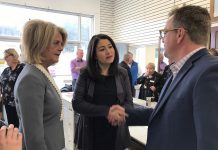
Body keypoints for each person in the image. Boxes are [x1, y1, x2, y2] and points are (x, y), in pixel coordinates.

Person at [125, 5, 218, 150]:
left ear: (180, 34)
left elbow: (211, 141)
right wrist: (124, 114)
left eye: (165, 33)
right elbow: (164, 113)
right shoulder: (176, 70)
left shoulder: (210, 71)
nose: (162, 40)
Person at [72, 34, 133, 150]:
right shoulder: (85, 73)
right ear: (94, 55)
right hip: (90, 131)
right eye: (102, 49)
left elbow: (129, 102)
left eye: (110, 47)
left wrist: (120, 113)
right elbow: (77, 103)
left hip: (116, 131)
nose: (108, 51)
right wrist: (106, 111)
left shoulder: (122, 73)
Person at [14, 19, 67, 150]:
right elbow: (34, 137)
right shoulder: (31, 78)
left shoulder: (40, 72)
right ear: (39, 44)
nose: (61, 48)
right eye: (56, 43)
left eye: (61, 43)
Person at [0, 48, 25, 127]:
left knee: (20, 126)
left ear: (13, 55)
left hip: (19, 103)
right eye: (5, 57)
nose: (5, 59)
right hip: (7, 103)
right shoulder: (6, 70)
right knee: (12, 125)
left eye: (7, 56)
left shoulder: (22, 68)